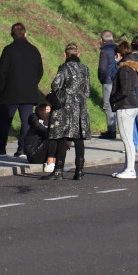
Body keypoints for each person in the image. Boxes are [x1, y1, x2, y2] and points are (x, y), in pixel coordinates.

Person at [0, 23, 44, 157]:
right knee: (26, 122)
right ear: (25, 34)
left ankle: (1, 148)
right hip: (28, 93)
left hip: (10, 93)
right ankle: (22, 149)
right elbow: (40, 71)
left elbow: (1, 72)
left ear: (12, 35)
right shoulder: (34, 50)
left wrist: (2, 89)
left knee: (4, 120)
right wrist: (32, 84)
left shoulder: (9, 50)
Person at [47, 43, 91, 179]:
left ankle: (58, 170)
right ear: (78, 55)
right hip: (80, 106)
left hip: (65, 106)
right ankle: (79, 170)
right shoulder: (85, 69)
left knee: (62, 137)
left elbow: (55, 85)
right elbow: (87, 91)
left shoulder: (64, 68)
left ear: (65, 54)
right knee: (78, 138)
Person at [109, 41, 138, 178]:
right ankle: (127, 167)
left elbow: (124, 90)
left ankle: (130, 169)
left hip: (125, 105)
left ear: (119, 54)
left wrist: (113, 99)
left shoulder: (124, 69)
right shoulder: (132, 67)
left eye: (116, 55)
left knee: (127, 139)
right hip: (132, 104)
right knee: (128, 139)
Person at [97, 31, 119, 140]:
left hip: (108, 80)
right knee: (116, 105)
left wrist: (102, 79)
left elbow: (103, 68)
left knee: (107, 105)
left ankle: (111, 130)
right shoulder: (118, 48)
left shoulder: (104, 51)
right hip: (118, 79)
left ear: (102, 40)